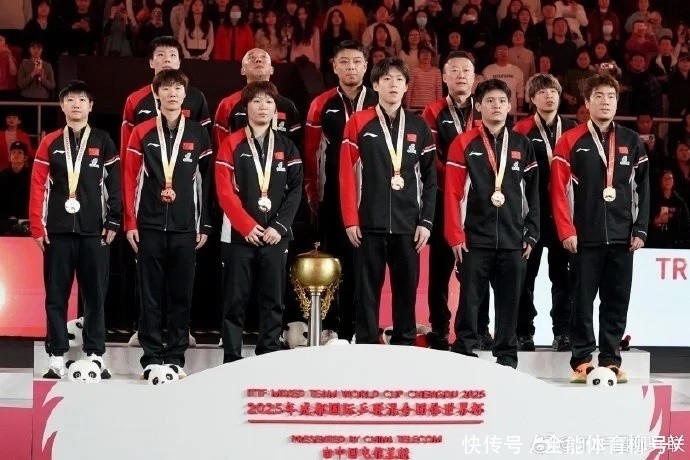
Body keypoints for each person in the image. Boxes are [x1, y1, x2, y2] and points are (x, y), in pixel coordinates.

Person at [551, 74, 650, 384]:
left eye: (610, 96)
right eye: (599, 96)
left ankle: (610, 359)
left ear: (617, 103)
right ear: (587, 102)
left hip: (622, 236)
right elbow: (558, 190)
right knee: (581, 300)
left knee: (616, 300)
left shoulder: (632, 141)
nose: (605, 102)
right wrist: (566, 230)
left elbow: (643, 188)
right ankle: (581, 360)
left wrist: (640, 229)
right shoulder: (570, 140)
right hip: (584, 236)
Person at [120, 35, 211, 347]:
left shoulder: (196, 101)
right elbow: (130, 167)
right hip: (149, 211)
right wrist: (129, 218)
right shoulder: (136, 104)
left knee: (182, 283)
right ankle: (145, 331)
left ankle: (179, 335)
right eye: (160, 54)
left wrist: (203, 220)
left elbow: (203, 169)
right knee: (148, 281)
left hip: (184, 215)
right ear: (151, 62)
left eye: (172, 54)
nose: (167, 59)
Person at [339, 57, 437, 345]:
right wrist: (351, 219)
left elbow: (430, 180)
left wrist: (426, 222)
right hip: (368, 223)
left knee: (406, 290)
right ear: (375, 85)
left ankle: (404, 343)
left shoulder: (419, 126)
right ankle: (367, 343)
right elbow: (347, 175)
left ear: (407, 87)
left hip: (409, 226)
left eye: (399, 80)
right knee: (366, 290)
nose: (393, 84)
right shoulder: (359, 122)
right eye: (387, 79)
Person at [29, 80, 121, 379]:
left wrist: (114, 219)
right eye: (70, 99)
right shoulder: (50, 142)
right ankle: (56, 356)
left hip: (95, 232)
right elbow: (38, 185)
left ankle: (95, 354)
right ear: (62, 105)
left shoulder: (103, 141)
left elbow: (114, 183)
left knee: (95, 296)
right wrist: (37, 225)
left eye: (82, 99)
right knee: (56, 296)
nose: (76, 104)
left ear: (90, 106)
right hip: (57, 231)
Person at [445, 78, 540, 368]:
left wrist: (531, 232)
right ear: (478, 106)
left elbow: (533, 193)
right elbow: (453, 193)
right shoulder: (464, 143)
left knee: (510, 301)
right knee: (470, 300)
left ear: (509, 106)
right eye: (489, 101)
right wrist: (455, 235)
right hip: (474, 238)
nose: (496, 106)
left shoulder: (522, 144)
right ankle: (464, 350)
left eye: (501, 101)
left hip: (513, 238)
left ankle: (507, 357)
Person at [215, 81, 303, 363]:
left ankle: (269, 356)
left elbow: (296, 190)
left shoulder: (287, 147)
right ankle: (231, 357)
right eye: (256, 101)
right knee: (235, 300)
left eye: (268, 101)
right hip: (238, 235)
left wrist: (279, 227)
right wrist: (245, 225)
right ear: (246, 108)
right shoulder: (231, 143)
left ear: (275, 108)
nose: (263, 106)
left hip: (276, 236)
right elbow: (224, 190)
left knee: (273, 300)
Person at [303, 40, 378, 342]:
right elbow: (311, 152)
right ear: (334, 66)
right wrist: (313, 191)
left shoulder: (378, 99)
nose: (351, 68)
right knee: (336, 259)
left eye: (357, 62)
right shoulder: (321, 103)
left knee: (368, 262)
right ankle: (334, 325)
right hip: (334, 194)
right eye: (344, 62)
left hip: (373, 194)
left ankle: (366, 327)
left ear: (366, 66)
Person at [421, 50, 485, 350]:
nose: (461, 75)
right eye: (455, 70)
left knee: (480, 266)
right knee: (440, 267)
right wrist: (458, 179)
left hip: (481, 202)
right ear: (444, 77)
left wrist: (479, 183)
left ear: (474, 78)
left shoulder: (485, 108)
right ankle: (439, 327)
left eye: (466, 71)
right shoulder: (433, 111)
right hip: (444, 198)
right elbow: (430, 155)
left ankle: (478, 328)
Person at [512, 74, 577, 351]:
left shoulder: (573, 129)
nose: (549, 96)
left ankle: (563, 331)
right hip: (533, 214)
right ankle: (523, 332)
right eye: (542, 92)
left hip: (564, 215)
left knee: (563, 277)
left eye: (553, 91)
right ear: (532, 99)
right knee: (525, 276)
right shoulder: (522, 130)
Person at [212, 48, 301, 149]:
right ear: (242, 70)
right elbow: (220, 147)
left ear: (272, 70)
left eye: (263, 57)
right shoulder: (228, 104)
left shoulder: (287, 106)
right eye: (251, 58)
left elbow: (295, 147)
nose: (258, 60)